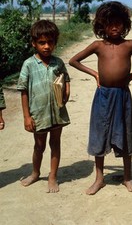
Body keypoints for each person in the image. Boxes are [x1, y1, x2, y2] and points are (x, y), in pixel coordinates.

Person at [69, 1, 132, 195]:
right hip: (103, 95)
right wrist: (94, 73)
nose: (114, 27)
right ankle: (99, 178)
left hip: (122, 96)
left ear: (125, 24)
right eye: (109, 23)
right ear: (101, 25)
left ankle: (127, 177)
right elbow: (73, 60)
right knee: (99, 134)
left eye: (118, 23)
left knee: (126, 134)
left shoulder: (130, 45)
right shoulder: (98, 45)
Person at [17, 20, 70, 193]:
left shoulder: (58, 62)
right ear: (34, 43)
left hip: (57, 112)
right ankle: (35, 172)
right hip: (38, 113)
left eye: (50, 42)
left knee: (55, 143)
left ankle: (52, 177)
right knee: (39, 145)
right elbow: (23, 91)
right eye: (42, 42)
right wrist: (27, 116)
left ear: (55, 42)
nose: (47, 46)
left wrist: (66, 91)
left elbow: (66, 78)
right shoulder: (29, 64)